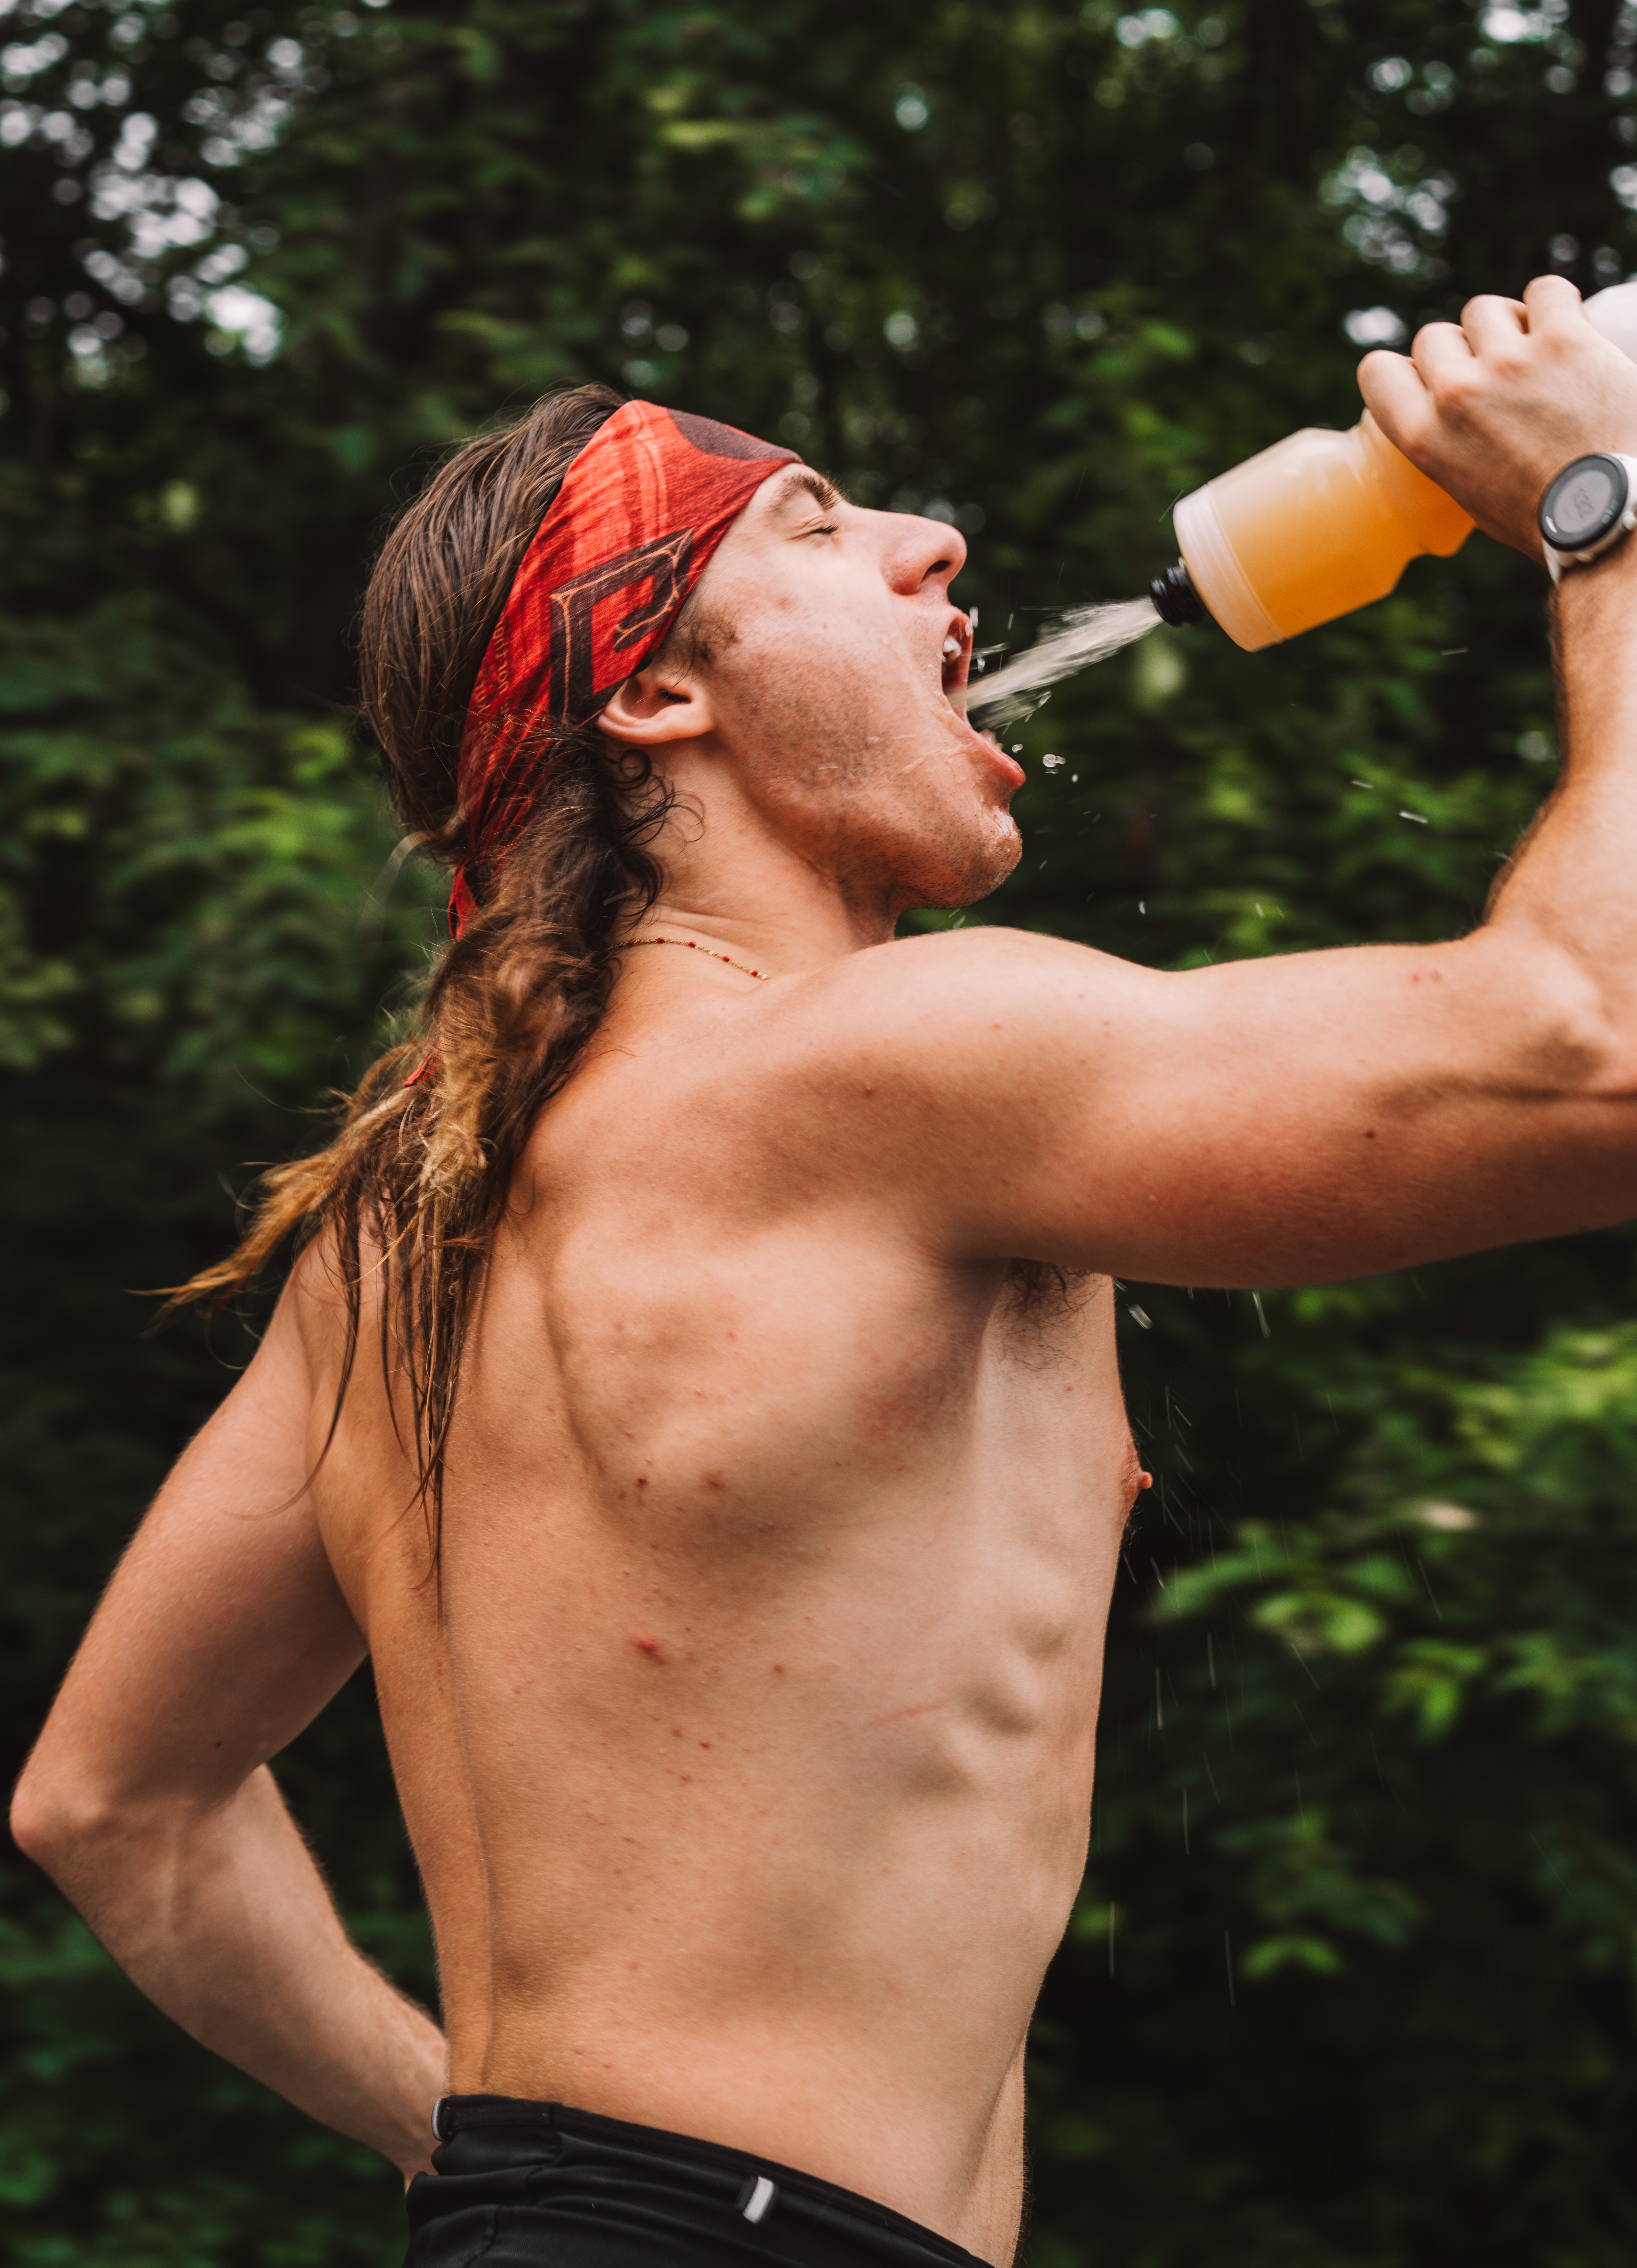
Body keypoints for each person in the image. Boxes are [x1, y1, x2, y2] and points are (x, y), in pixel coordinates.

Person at [13, 278, 1637, 2268]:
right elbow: (1598, 1047)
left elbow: (111, 1804)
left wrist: (483, 2169)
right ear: (651, 689)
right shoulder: (881, 1062)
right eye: (812, 523)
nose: (934, 545)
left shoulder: (399, 1236)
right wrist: (1597, 498)